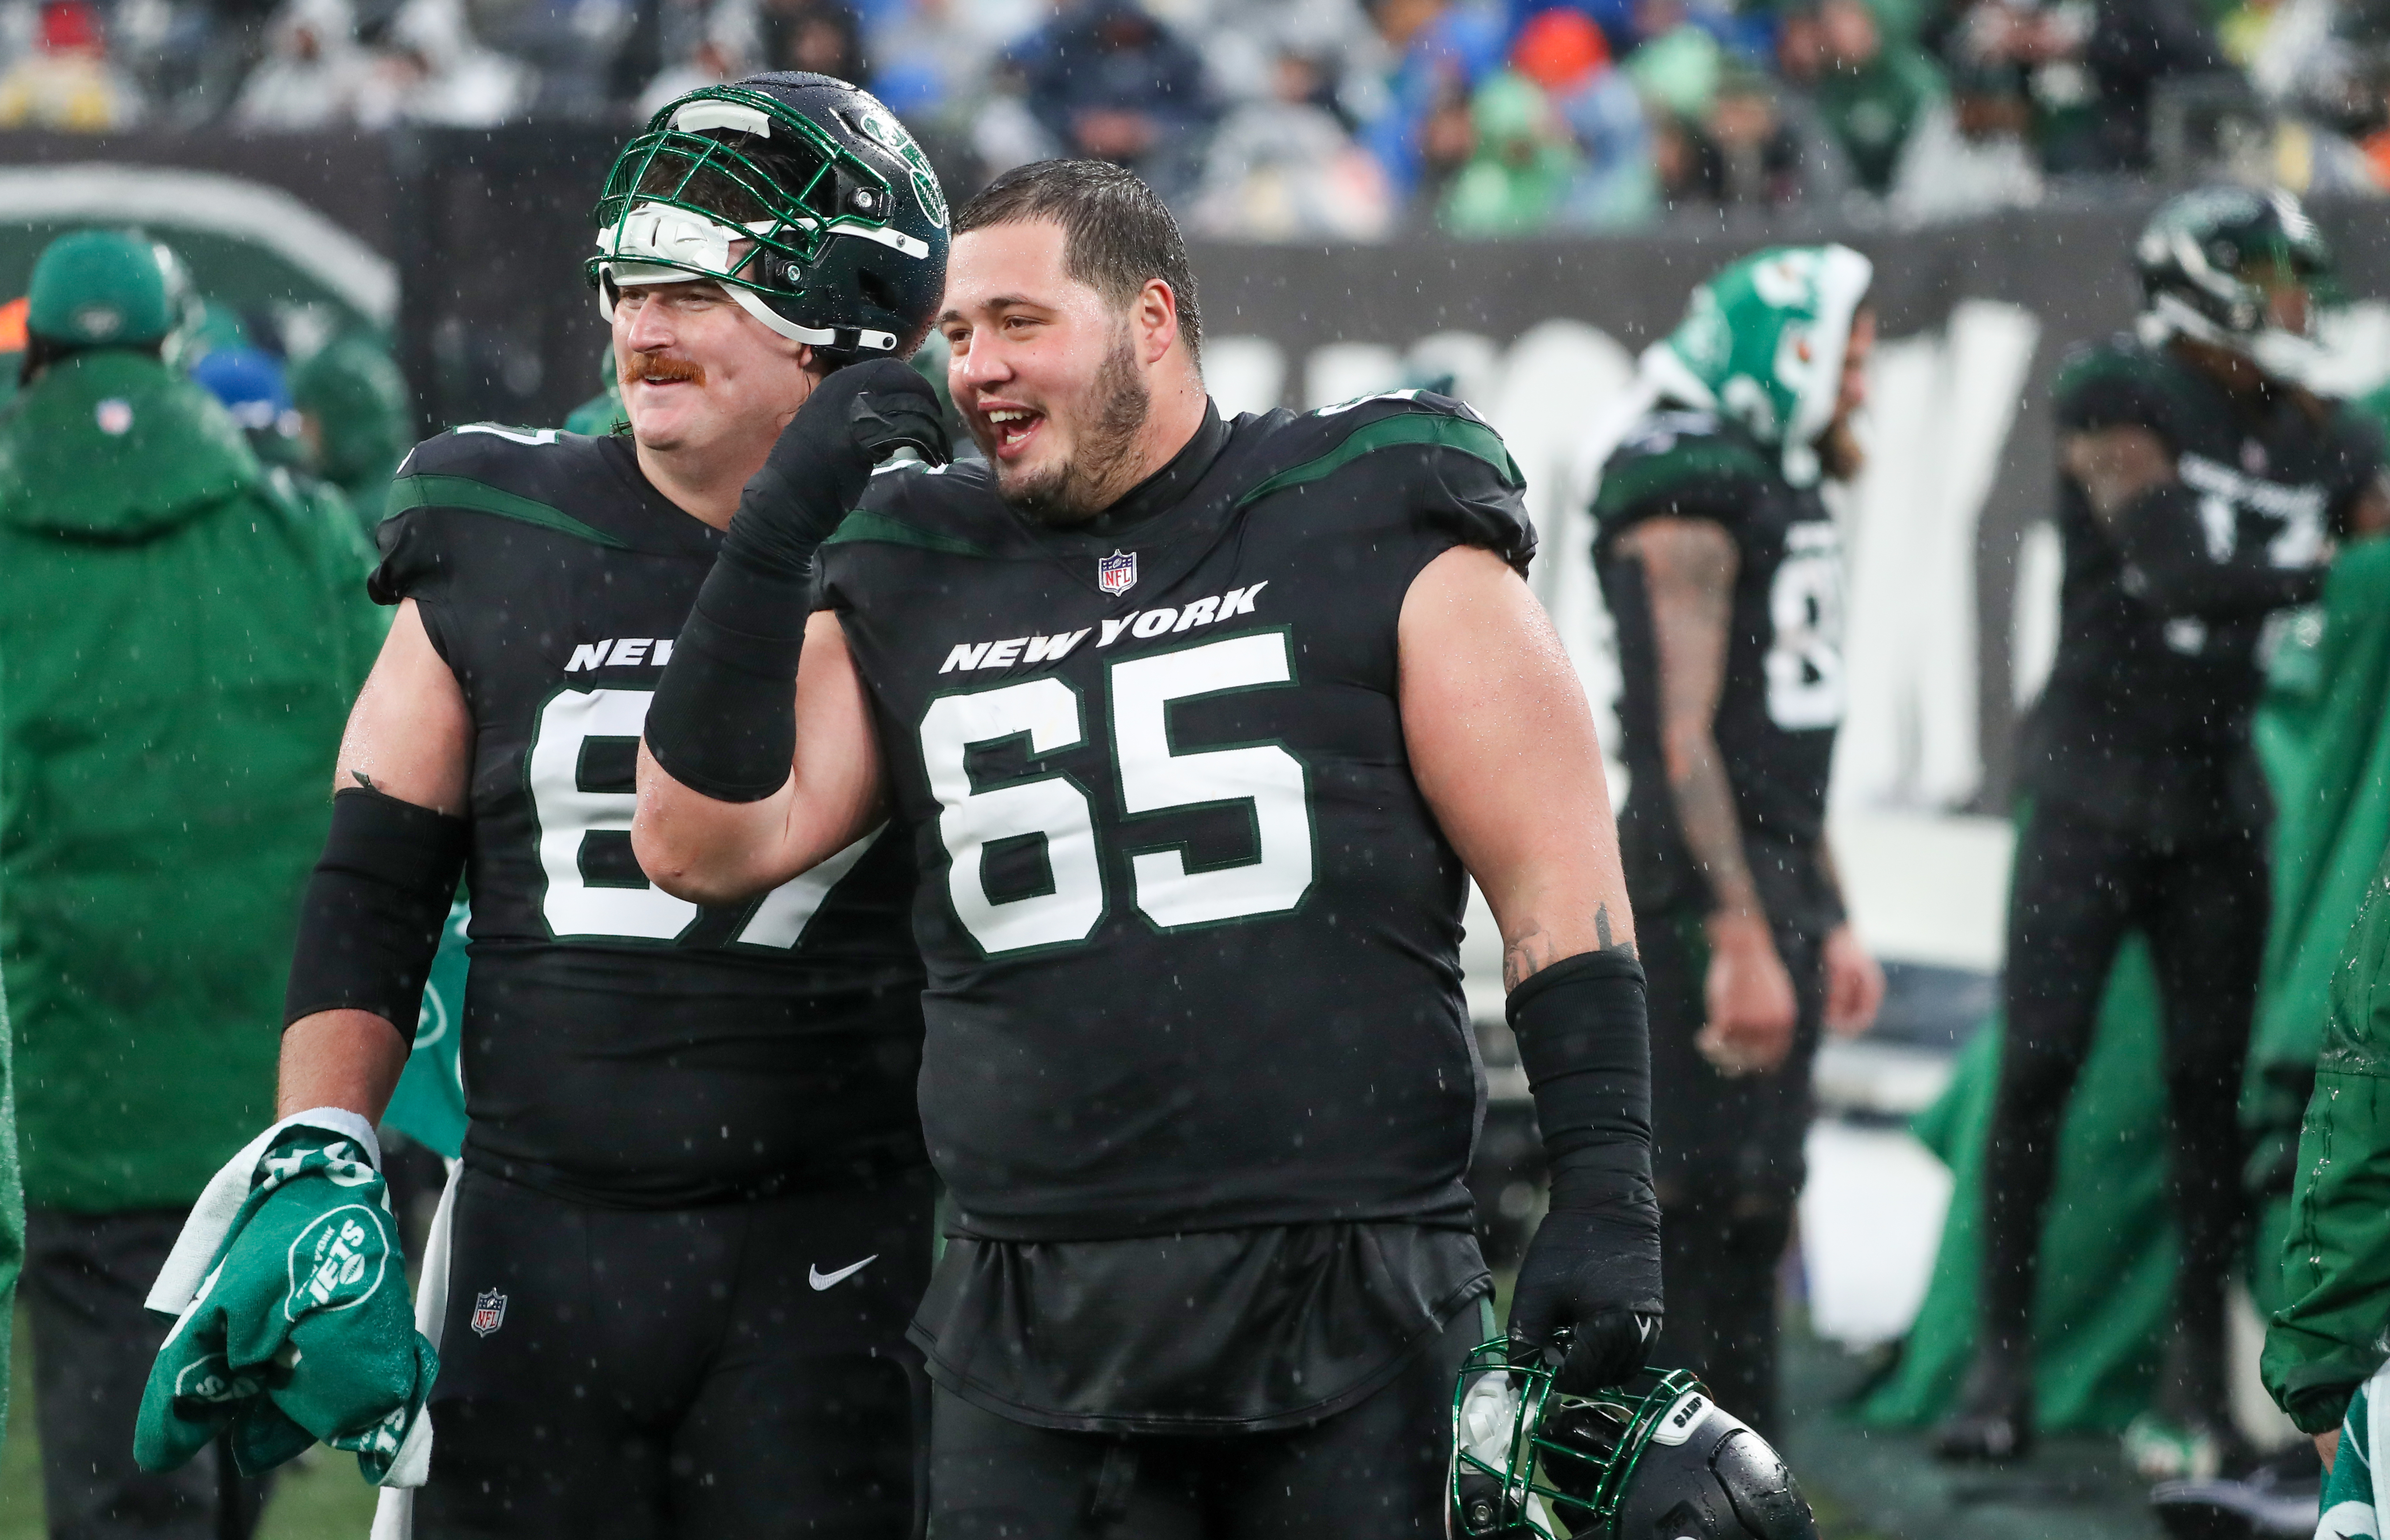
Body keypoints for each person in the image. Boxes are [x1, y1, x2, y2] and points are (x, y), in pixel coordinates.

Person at [632, 157, 1662, 1535]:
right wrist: (772, 537)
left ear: (1154, 319)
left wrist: (1607, 1189)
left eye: (1019, 322)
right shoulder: (912, 557)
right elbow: (699, 844)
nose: (978, 369)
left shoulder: (1371, 495)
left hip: (1351, 1296)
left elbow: (1555, 876)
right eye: (955, 335)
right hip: (1029, 1323)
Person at [132, 74, 950, 1538]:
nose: (642, 328)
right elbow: (376, 881)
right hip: (541, 1241)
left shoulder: (946, 556)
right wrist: (324, 1145)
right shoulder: (500, 521)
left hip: (838, 1257)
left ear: (843, 315)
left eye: (695, 291)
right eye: (628, 286)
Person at [1936, 185, 2390, 1476]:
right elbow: (2181, 569)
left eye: (2299, 273)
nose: (2295, 299)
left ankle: (2200, 1386)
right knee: (2037, 1068)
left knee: (2206, 1094)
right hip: (2089, 783)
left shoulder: (2331, 434)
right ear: (2201, 280)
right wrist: (2337, 570)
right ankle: (1997, 1362)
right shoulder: (2117, 392)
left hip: (2215, 797)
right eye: (2268, 271)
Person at [0, 227, 380, 1537]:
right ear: (176, 351)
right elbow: (396, 785)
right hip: (268, 1080)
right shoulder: (301, 535)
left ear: (36, 352)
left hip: (71, 1091)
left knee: (124, 1473)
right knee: (229, 1450)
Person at [1589, 244, 1886, 1439]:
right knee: (1698, 1204)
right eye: (1848, 357)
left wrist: (1835, 909)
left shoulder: (1762, 468)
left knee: (1761, 1200)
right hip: (1696, 886)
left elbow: (1779, 749)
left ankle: (1740, 1470)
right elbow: (1682, 743)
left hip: (1767, 872)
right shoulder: (1689, 482)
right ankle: (1677, 1479)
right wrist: (1742, 936)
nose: (1862, 385)